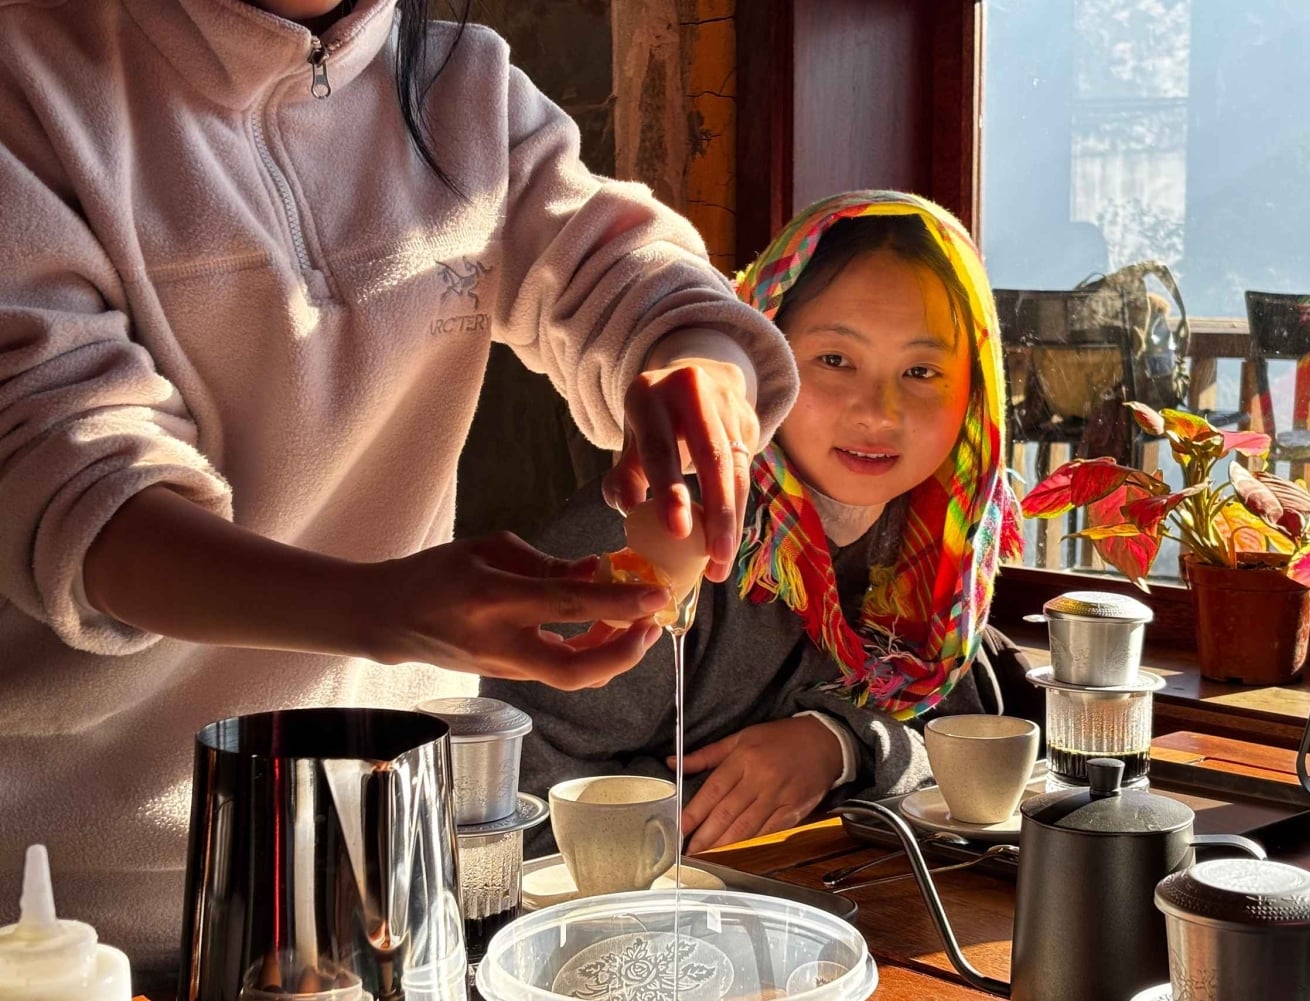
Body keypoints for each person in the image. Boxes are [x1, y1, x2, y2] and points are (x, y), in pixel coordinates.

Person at [0, 0, 799, 976]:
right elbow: (69, 489)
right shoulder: (29, 74)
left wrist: (697, 359)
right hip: (75, 919)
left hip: (396, 877)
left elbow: (619, 266)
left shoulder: (460, 87)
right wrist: (381, 607)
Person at [487, 190, 1038, 856]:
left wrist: (836, 745)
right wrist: (690, 822)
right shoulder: (664, 529)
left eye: (922, 371)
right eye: (836, 360)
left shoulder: (936, 554)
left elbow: (971, 751)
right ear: (764, 352)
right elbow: (506, 783)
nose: (879, 411)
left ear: (975, 393)